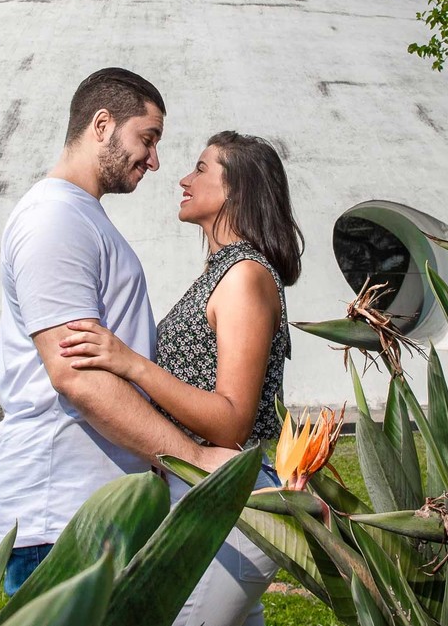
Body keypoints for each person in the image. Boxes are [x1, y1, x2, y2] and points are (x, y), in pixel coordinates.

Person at [0, 68, 233, 596]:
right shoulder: (54, 219)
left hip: (95, 514)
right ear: (102, 125)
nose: (155, 160)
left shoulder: (80, 216)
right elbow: (75, 376)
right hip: (62, 519)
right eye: (148, 138)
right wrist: (193, 460)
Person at [59, 130, 304, 626]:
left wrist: (131, 363)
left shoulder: (244, 276)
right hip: (212, 499)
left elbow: (232, 421)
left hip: (229, 501)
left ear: (237, 189)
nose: (183, 179)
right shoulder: (223, 272)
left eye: (201, 169)